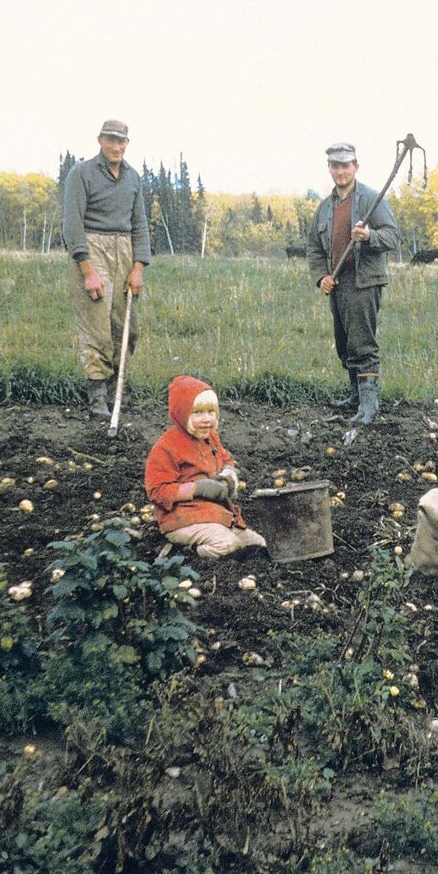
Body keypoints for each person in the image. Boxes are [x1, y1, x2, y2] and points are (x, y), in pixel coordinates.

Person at [62, 119, 151, 419]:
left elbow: (140, 224)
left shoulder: (133, 177)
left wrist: (138, 267)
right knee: (97, 326)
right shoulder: (81, 173)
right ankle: (97, 397)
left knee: (127, 328)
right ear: (100, 140)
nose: (116, 146)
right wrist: (87, 271)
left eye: (121, 141)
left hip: (125, 250)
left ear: (127, 143)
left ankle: (116, 390)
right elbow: (72, 224)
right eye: (110, 140)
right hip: (92, 248)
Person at [306, 141, 400, 424]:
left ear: (355, 166)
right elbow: (314, 249)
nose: (340, 171)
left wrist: (369, 236)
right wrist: (321, 277)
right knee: (344, 344)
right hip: (337, 283)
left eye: (345, 165)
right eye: (335, 166)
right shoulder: (325, 208)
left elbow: (393, 237)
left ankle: (369, 406)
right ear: (329, 168)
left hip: (363, 282)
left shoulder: (372, 200)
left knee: (362, 344)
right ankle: (356, 398)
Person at [145, 375, 266, 560]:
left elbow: (226, 460)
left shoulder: (211, 437)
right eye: (197, 413)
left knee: (259, 544)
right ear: (182, 413)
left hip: (215, 514)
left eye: (211, 412)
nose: (206, 419)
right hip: (182, 519)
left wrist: (228, 475)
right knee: (228, 546)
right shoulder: (166, 447)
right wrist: (197, 489)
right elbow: (157, 491)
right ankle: (184, 554)